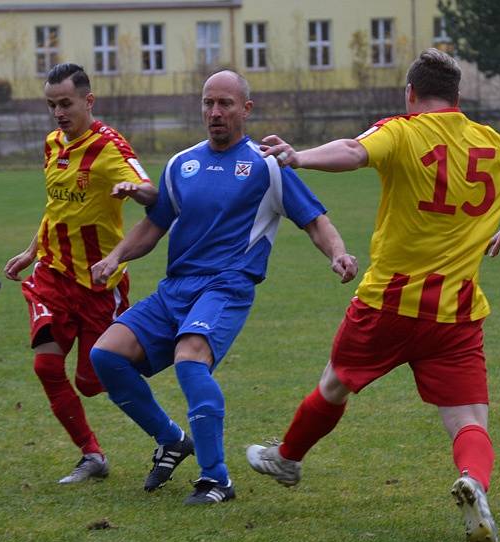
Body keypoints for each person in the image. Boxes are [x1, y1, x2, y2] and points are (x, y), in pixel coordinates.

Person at [246, 49, 500, 542]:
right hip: (456, 314)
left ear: (410, 94)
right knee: (468, 420)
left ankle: (288, 458)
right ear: (458, 98)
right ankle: (473, 480)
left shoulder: (404, 130)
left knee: (335, 383)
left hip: (388, 304)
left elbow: (353, 151)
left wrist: (300, 157)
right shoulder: (493, 143)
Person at [89, 70, 358, 505]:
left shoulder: (267, 165)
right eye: (208, 103)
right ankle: (171, 438)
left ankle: (216, 479)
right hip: (175, 287)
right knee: (106, 356)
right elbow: (154, 226)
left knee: (190, 358)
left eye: (225, 104)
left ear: (245, 109)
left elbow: (315, 221)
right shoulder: (181, 164)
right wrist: (115, 257)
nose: (215, 112)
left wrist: (337, 254)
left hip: (226, 285)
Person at [3, 63, 156, 484]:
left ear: (88, 101)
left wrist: (133, 190)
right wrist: (32, 250)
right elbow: (58, 207)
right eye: (52, 105)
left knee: (91, 381)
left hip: (98, 284)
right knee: (47, 368)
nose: (58, 113)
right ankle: (91, 454)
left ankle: (150, 360)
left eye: (66, 103)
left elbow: (151, 190)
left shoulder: (110, 147)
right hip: (52, 274)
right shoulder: (53, 144)